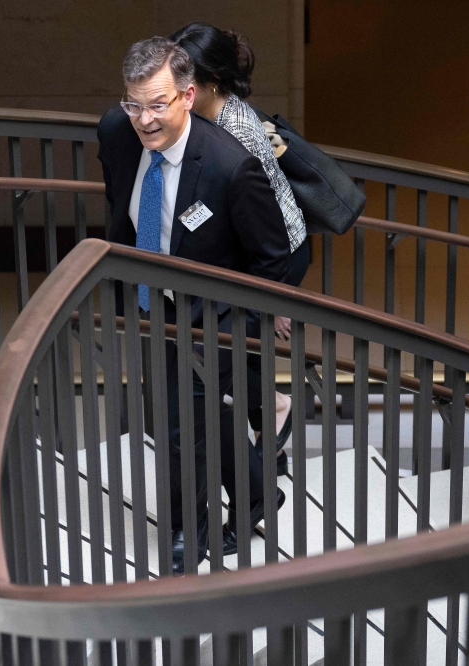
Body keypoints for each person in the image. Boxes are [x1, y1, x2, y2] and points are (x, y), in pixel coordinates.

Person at [97, 37, 290, 574]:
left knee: (181, 425)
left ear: (187, 95)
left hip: (214, 320)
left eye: (157, 104)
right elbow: (120, 202)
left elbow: (271, 255)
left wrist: (239, 328)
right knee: (193, 414)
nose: (143, 119)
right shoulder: (116, 133)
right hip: (149, 301)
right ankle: (257, 495)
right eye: (133, 104)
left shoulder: (232, 167)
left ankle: (187, 534)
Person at [170, 23, 309, 503]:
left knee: (225, 355)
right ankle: (273, 450)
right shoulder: (202, 113)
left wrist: (277, 299)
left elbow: (267, 231)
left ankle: (276, 411)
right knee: (236, 351)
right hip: (241, 251)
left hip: (275, 254)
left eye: (183, 74)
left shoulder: (237, 129)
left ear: (210, 81)